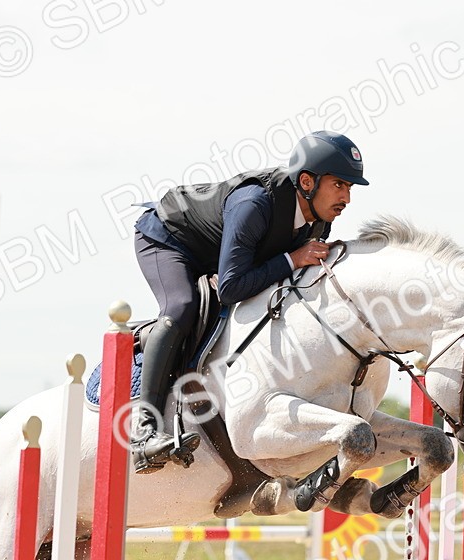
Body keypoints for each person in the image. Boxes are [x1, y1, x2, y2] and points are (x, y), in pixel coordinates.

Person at [130, 130, 369, 474]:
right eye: (340, 185)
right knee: (182, 307)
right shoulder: (254, 203)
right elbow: (231, 288)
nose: (346, 197)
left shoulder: (319, 223)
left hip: (221, 254)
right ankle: (144, 433)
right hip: (169, 239)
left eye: (349, 188)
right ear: (307, 181)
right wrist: (292, 259)